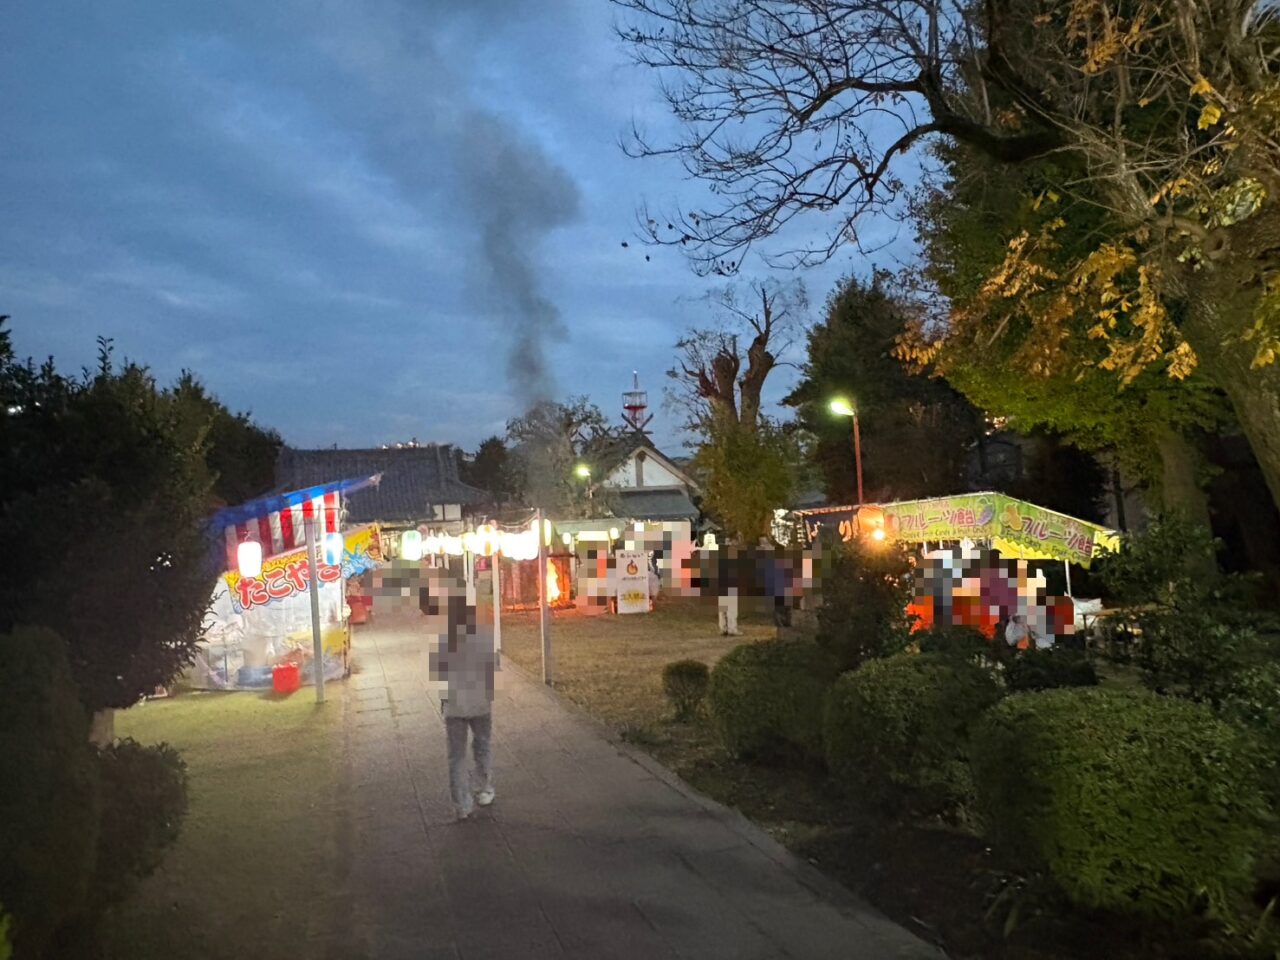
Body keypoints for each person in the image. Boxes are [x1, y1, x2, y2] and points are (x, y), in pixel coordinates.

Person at [422, 570, 497, 821]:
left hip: (454, 701)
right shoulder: (482, 629)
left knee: (456, 755)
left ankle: (461, 805)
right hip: (480, 698)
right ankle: (484, 788)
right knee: (482, 744)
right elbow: (492, 663)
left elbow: (438, 668)